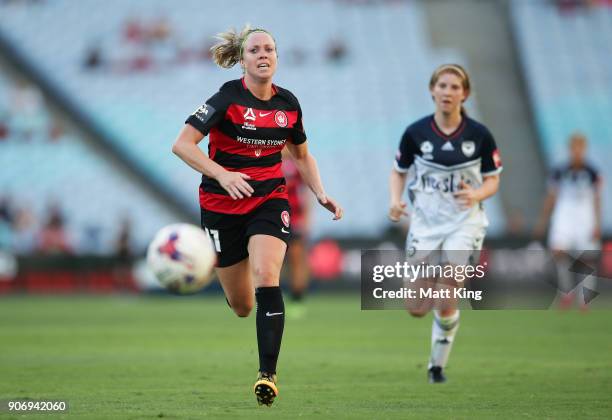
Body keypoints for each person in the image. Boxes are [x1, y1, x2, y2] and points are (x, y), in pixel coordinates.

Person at [172, 25, 342, 406]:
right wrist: (222, 173)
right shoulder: (226, 98)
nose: (263, 55)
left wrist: (320, 193)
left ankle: (268, 375)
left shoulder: (289, 104)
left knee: (268, 275)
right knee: (242, 306)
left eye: (269, 49)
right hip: (220, 206)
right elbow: (182, 145)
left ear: (277, 58)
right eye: (255, 50)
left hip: (269, 200)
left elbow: (300, 154)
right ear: (243, 60)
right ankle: (236, 284)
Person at [388, 64, 502, 383]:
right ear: (432, 90)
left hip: (464, 224)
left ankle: (436, 366)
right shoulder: (415, 133)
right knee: (415, 306)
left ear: (464, 94)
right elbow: (399, 171)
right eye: (443, 85)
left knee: (446, 292)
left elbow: (493, 181)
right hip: (425, 224)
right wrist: (395, 200)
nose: (448, 92)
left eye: (455, 87)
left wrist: (477, 192)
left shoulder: (479, 135)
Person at [534, 133, 602, 309]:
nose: (577, 151)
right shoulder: (559, 171)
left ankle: (585, 300)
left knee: (586, 258)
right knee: (559, 252)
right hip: (563, 216)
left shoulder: (593, 173)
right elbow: (551, 197)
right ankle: (566, 293)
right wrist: (543, 220)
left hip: (585, 218)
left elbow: (597, 199)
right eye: (574, 147)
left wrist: (597, 223)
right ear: (570, 149)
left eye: (580, 148)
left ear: (584, 149)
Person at [281, 149, 312, 318]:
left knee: (296, 259)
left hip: (294, 218)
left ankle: (297, 299)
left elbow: (305, 192)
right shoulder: (266, 160)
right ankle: (270, 298)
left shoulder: (296, 163)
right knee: (272, 261)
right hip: (272, 216)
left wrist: (306, 219)